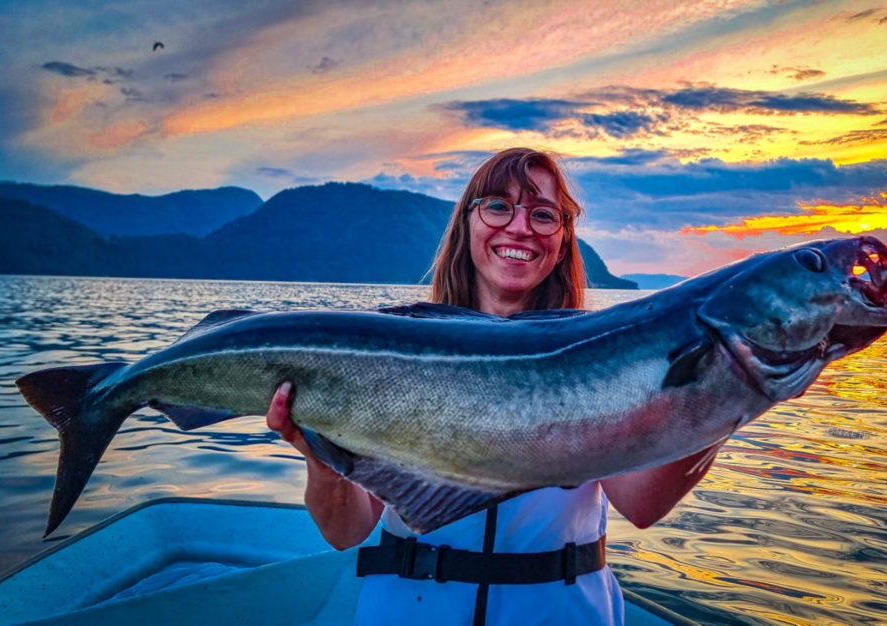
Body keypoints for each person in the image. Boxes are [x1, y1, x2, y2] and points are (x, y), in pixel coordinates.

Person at [266, 148, 723, 625]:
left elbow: (642, 505)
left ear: (563, 243)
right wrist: (323, 459)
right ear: (468, 222)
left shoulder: (606, 355)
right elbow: (345, 531)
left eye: (544, 215)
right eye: (499, 206)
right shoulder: (393, 358)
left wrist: (727, 387)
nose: (520, 227)